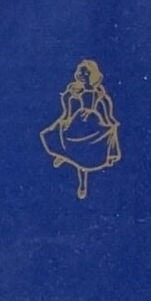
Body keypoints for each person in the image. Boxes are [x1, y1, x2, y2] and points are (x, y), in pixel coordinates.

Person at [40, 59, 122, 198]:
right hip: (77, 122)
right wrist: (66, 116)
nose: (82, 75)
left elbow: (106, 107)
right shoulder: (76, 89)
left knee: (84, 154)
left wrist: (108, 122)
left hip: (91, 124)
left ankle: (82, 184)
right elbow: (66, 98)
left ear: (93, 75)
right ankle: (63, 156)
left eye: (86, 73)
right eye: (80, 72)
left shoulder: (98, 93)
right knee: (64, 138)